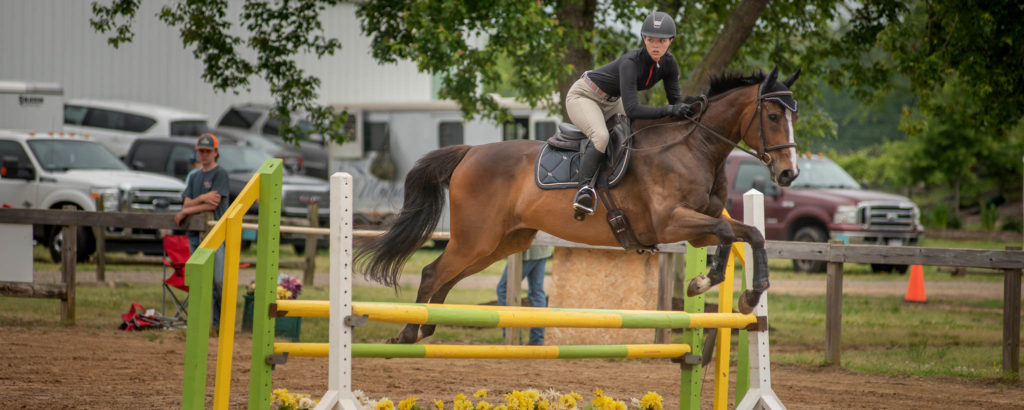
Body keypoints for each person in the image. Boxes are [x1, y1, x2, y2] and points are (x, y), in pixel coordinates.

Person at [566, 11, 694, 216]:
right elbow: (634, 109)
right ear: (643, 39)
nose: (655, 45)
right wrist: (670, 110)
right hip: (585, 96)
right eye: (650, 39)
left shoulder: (669, 64)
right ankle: (584, 190)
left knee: (637, 134)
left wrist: (696, 105)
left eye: (661, 41)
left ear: (670, 41)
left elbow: (675, 102)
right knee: (601, 137)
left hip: (611, 101)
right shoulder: (631, 63)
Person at [174, 133, 230, 330]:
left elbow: (213, 205)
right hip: (194, 235)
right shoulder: (194, 176)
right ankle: (199, 324)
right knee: (199, 281)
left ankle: (219, 323)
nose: (204, 155)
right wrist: (201, 198)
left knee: (218, 281)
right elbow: (188, 200)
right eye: (201, 151)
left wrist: (187, 210)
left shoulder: (220, 174)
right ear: (197, 152)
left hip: (216, 236)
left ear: (216, 153)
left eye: (208, 151)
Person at [496, 244, 552, 345]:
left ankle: (514, 338)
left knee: (504, 289)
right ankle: (537, 340)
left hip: (527, 251)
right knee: (537, 293)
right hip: (542, 249)